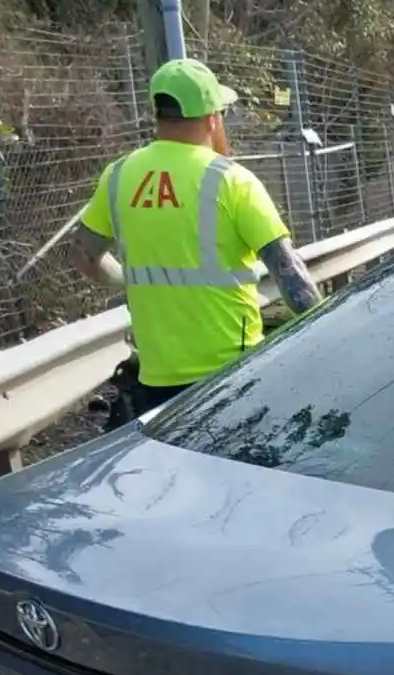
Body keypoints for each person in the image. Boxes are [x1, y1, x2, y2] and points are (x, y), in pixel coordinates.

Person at [71, 57, 320, 419]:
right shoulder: (232, 180)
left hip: (156, 379)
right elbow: (292, 279)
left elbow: (82, 256)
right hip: (234, 374)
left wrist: (127, 278)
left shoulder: (118, 175)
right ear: (212, 118)